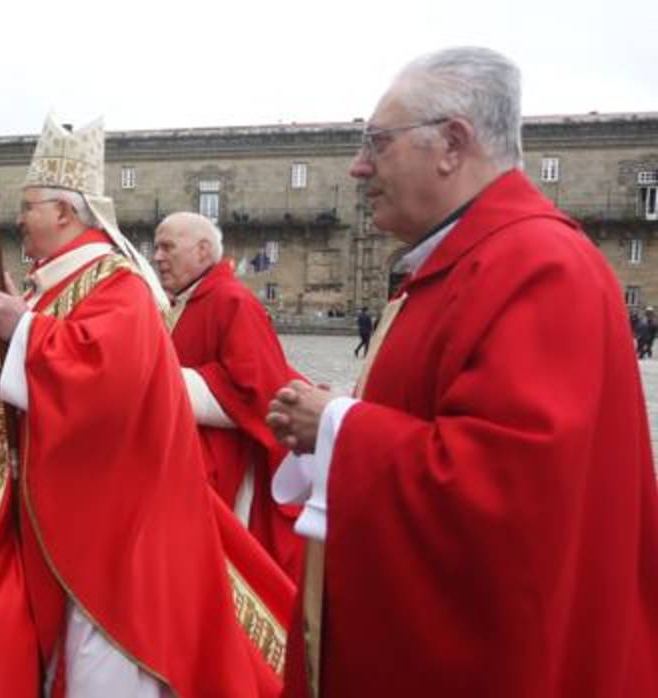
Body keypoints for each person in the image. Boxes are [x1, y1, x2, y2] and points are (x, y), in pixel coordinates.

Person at [266, 47, 657, 698]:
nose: (358, 167)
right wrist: (333, 422)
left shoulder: (539, 266)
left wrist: (337, 425)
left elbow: (507, 490)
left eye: (377, 144)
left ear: (451, 144)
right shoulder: (465, 263)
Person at [0, 117, 293, 698]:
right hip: (70, 507)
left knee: (107, 662)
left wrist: (23, 330)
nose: (19, 219)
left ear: (64, 212)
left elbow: (109, 377)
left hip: (114, 521)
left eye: (28, 207)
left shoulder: (118, 282)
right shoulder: (56, 283)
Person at [152, 211, 304, 580]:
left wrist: (167, 382)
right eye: (156, 248)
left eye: (167, 247)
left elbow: (254, 388)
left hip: (230, 466)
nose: (157, 257)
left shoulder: (231, 300)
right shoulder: (185, 300)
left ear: (204, 251)